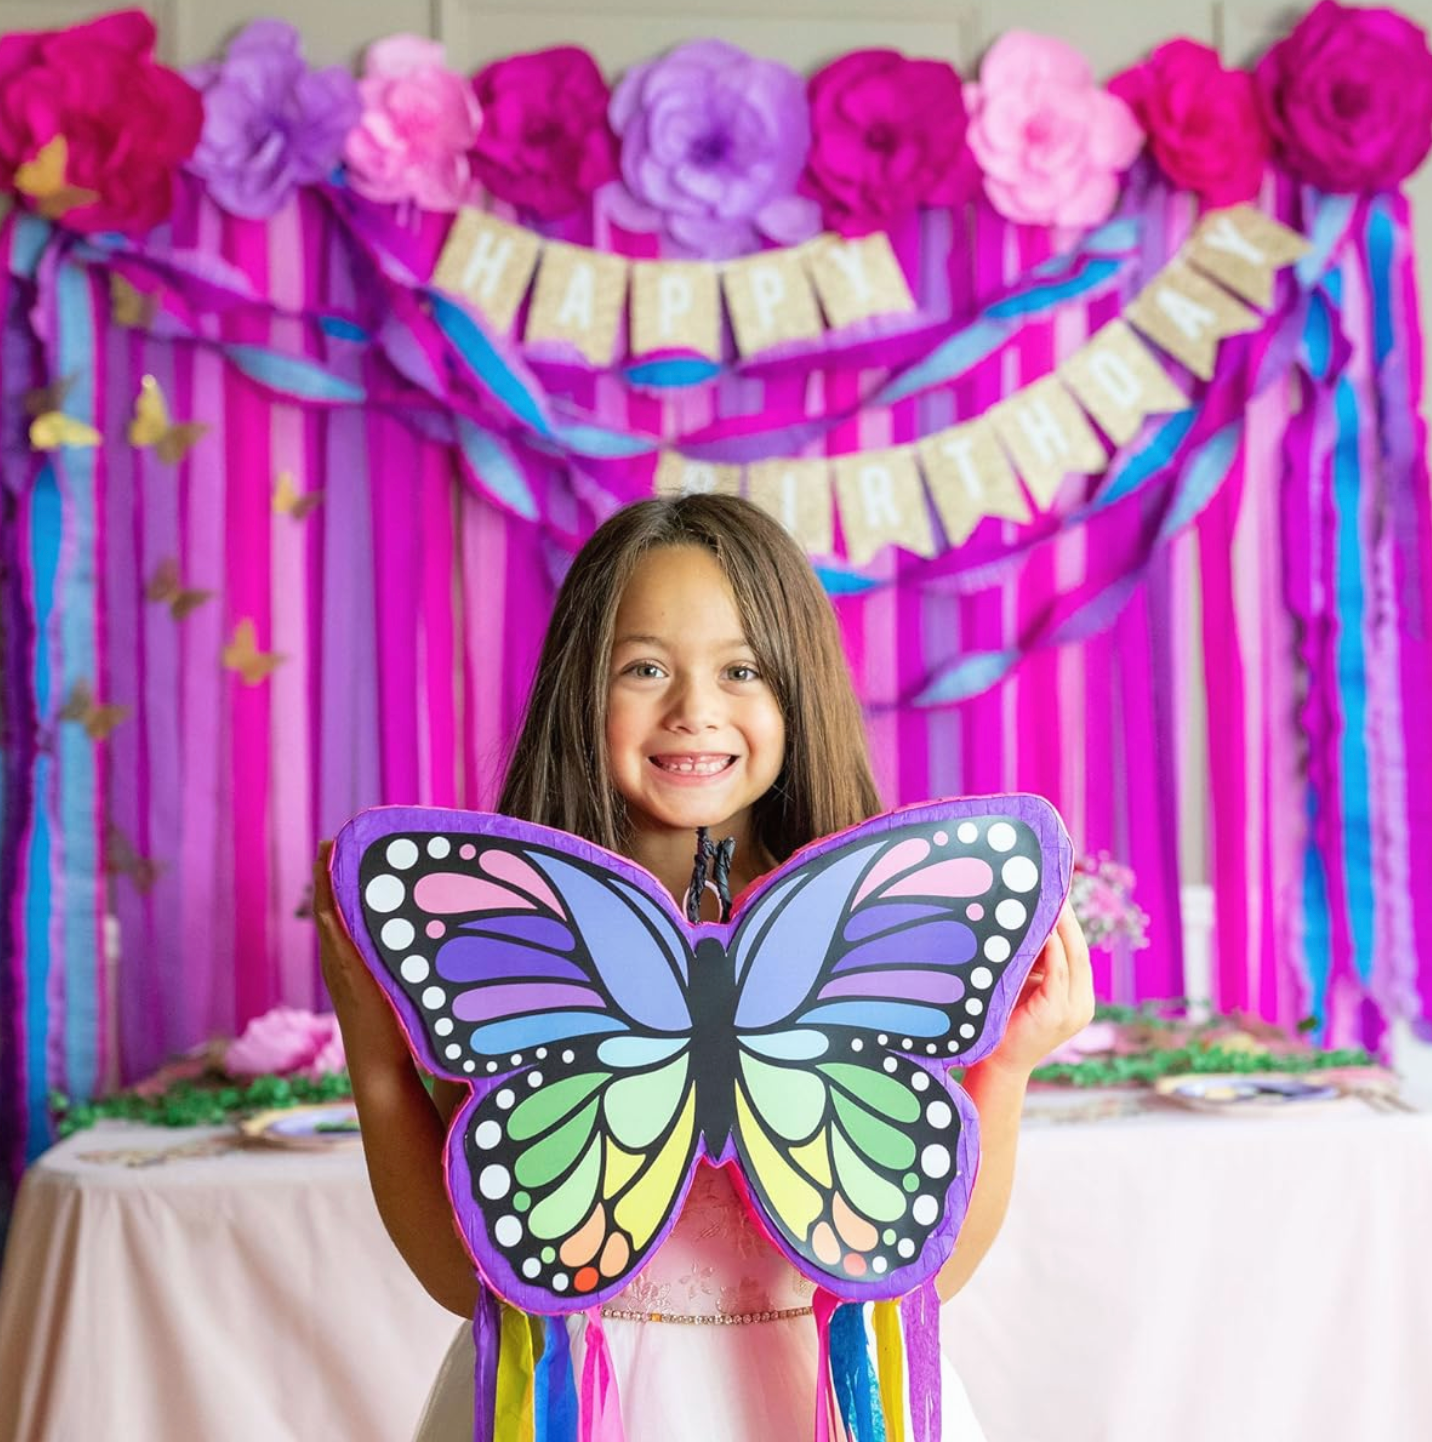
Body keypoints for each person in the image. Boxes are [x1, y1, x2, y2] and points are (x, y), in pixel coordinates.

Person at [313, 494, 1094, 1441]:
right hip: (572, 1409)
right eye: (645, 667)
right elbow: (462, 1272)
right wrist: (373, 1041)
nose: (695, 711)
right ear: (579, 689)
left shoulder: (874, 930)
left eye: (742, 670)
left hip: (823, 1405)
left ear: (796, 691)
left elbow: (922, 1268)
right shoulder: (513, 942)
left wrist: (1003, 1069)